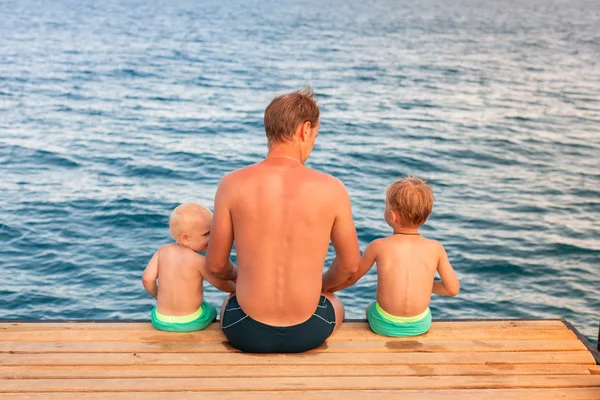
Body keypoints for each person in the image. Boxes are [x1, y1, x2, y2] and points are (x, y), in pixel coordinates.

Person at [206, 87, 361, 353]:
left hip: (244, 331)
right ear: (305, 130)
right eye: (315, 135)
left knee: (231, 301)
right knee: (335, 303)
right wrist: (320, 285)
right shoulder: (332, 188)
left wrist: (239, 278)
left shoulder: (231, 184)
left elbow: (216, 265)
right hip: (309, 331)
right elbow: (349, 265)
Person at [330, 177, 460, 337]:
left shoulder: (378, 246)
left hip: (384, 324)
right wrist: (425, 284)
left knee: (370, 307)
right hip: (420, 324)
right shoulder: (436, 248)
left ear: (393, 216)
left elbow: (352, 278)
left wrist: (329, 288)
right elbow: (452, 289)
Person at [142, 203, 235, 332]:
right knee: (211, 309)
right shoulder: (199, 261)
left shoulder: (162, 251)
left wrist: (157, 296)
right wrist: (237, 288)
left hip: (160, 320)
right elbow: (221, 285)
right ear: (185, 238)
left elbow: (147, 279)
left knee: (159, 311)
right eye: (207, 234)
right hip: (190, 322)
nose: (212, 238)